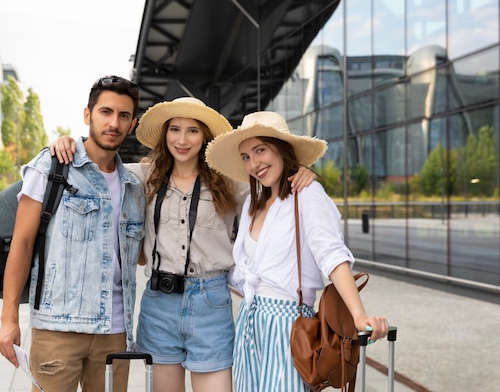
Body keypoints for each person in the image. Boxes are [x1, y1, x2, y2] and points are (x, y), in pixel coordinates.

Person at [50, 97, 316, 392]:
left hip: (211, 304)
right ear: (165, 135)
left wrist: (304, 172)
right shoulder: (143, 176)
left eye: (193, 131)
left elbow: (273, 181)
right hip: (159, 303)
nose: (182, 139)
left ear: (205, 137)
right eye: (175, 129)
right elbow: (97, 166)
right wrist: (68, 143)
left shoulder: (230, 182)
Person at [205, 110, 390, 392]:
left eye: (261, 150)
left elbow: (332, 255)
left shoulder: (307, 194)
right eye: (246, 156)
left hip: (288, 325)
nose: (254, 163)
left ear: (281, 149)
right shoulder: (253, 203)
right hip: (249, 323)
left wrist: (358, 315)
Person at [0, 75, 145, 392]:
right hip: (58, 328)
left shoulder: (134, 186)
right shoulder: (52, 167)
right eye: (106, 112)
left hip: (115, 331)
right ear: (88, 115)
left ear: (132, 125)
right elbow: (21, 243)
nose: (113, 122)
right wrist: (9, 319)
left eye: (123, 115)